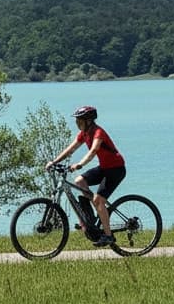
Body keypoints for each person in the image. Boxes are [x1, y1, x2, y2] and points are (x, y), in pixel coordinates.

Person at [47, 105, 126, 247]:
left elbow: (94, 150)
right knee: (79, 181)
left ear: (88, 121)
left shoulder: (98, 132)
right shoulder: (84, 133)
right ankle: (90, 219)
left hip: (116, 169)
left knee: (98, 200)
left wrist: (80, 164)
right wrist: (54, 161)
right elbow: (71, 148)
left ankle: (108, 236)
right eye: (77, 120)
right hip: (104, 168)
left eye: (79, 120)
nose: (77, 123)